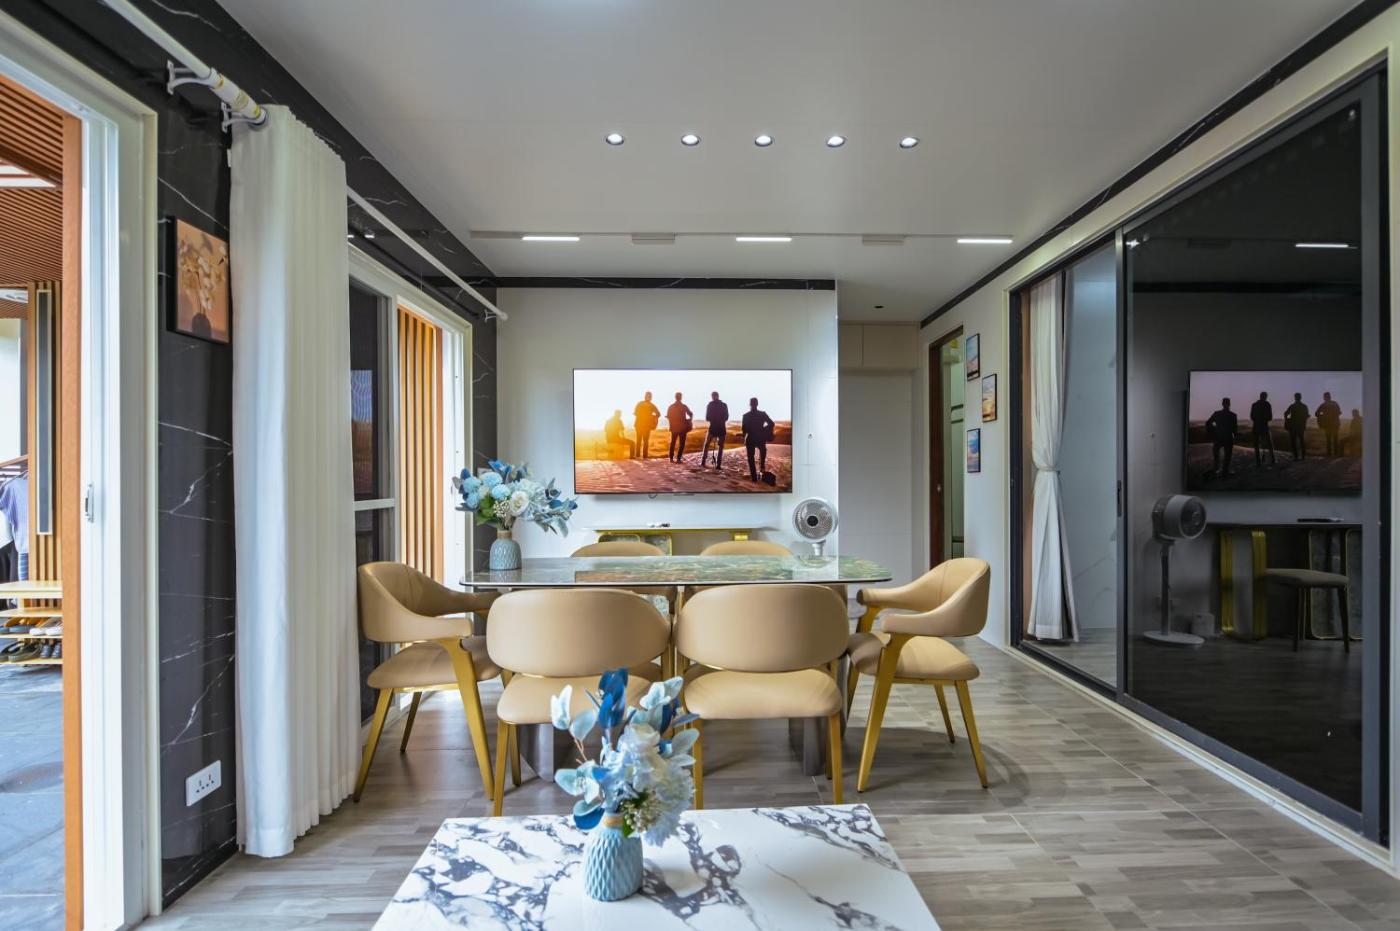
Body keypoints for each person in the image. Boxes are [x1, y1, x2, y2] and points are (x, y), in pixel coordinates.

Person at [740, 397, 775, 483]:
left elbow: (744, 430)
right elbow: (772, 423)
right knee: (762, 453)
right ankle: (762, 470)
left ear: (750, 404)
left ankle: (754, 477)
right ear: (757, 404)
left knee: (751, 458)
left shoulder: (745, 416)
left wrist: (746, 433)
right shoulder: (762, 414)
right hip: (760, 438)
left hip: (750, 438)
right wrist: (764, 430)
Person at [1204, 397, 1238, 478]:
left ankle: (1217, 469)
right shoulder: (1233, 415)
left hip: (1218, 437)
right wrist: (1235, 436)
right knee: (1227, 456)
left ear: (1222, 404)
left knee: (1217, 456)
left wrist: (1213, 432)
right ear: (1229, 404)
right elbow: (1235, 429)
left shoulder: (1217, 414)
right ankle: (1224, 472)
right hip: (1227, 438)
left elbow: (1208, 423)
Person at [701, 391, 729, 469]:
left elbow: (707, 418)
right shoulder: (724, 405)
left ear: (713, 397)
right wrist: (720, 419)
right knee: (720, 446)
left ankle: (703, 461)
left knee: (707, 444)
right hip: (721, 428)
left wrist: (713, 419)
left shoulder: (710, 405)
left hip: (713, 428)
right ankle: (718, 464)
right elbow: (726, 417)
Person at [1248, 391, 1275, 468]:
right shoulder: (1267, 404)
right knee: (1269, 444)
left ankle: (1258, 461)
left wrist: (1258, 420)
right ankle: (1272, 459)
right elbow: (1270, 417)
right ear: (1265, 397)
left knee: (1257, 445)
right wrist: (1264, 419)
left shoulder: (1254, 405)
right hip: (1264, 426)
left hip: (1256, 426)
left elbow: (1252, 416)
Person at [632, 391, 660, 460]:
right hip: (645, 425)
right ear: (650, 397)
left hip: (638, 424)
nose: (649, 397)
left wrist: (642, 415)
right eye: (649, 396)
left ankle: (638, 456)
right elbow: (658, 414)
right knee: (645, 441)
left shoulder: (639, 403)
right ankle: (644, 456)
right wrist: (653, 417)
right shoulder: (651, 405)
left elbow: (635, 413)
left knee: (639, 440)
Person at [666, 392, 693, 462]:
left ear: (675, 397)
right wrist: (690, 420)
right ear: (681, 397)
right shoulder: (684, 406)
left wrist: (671, 423)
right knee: (682, 443)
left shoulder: (671, 406)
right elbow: (690, 414)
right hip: (682, 428)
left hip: (674, 428)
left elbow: (668, 416)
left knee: (673, 442)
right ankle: (678, 458)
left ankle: (671, 458)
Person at [1284, 392, 1310, 461]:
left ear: (1295, 398)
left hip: (1293, 426)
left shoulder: (1292, 406)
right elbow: (1307, 415)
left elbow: (1285, 413)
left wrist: (1287, 421)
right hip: (1301, 426)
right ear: (1300, 398)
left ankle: (1295, 456)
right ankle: (1303, 456)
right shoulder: (1304, 406)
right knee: (1301, 441)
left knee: (1293, 441)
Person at [1316, 391, 1342, 457]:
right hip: (1335, 424)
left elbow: (1316, 413)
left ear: (1324, 397)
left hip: (1327, 424)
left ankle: (1329, 454)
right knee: (1335, 438)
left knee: (1328, 439)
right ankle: (1335, 453)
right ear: (1330, 397)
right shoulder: (1335, 403)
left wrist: (1322, 416)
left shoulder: (1323, 405)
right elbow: (1339, 412)